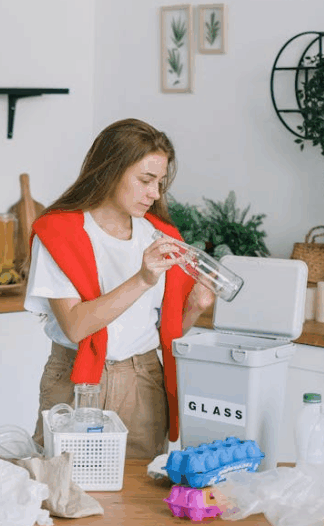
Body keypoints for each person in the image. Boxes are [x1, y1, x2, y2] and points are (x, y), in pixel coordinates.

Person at [25, 118, 215, 460]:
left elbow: (163, 331)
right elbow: (76, 325)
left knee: (139, 503)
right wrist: (142, 279)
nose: (155, 193)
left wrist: (196, 306)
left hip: (142, 380)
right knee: (62, 490)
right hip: (75, 380)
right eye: (145, 180)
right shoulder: (59, 234)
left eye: (159, 182)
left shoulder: (160, 235)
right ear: (111, 170)